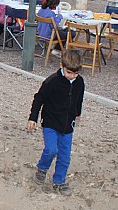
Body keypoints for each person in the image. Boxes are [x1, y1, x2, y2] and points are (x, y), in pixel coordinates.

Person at [27, 50, 84, 196]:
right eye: (69, 72)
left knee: (65, 156)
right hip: (51, 123)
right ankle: (42, 168)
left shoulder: (80, 82)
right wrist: (33, 118)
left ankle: (59, 181)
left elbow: (79, 98)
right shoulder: (52, 81)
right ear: (61, 66)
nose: (72, 76)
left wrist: (78, 113)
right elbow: (39, 99)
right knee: (52, 150)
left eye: (75, 73)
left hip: (67, 126)